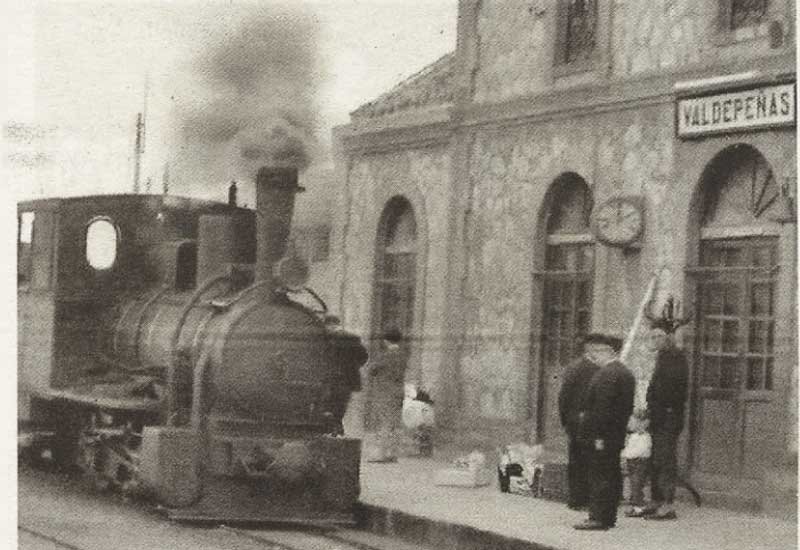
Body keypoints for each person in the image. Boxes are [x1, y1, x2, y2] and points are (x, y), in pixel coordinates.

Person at [573, 333, 635, 531]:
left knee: (599, 475)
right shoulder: (625, 373)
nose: (593, 356)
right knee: (612, 474)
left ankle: (597, 518)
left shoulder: (608, 374)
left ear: (609, 352)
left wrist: (598, 436)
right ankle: (608, 517)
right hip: (616, 435)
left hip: (602, 436)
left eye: (597, 351)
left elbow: (602, 410)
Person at [639, 326, 689, 520]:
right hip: (657, 416)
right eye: (653, 337)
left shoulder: (676, 357)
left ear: (668, 337)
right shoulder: (661, 357)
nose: (656, 340)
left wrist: (666, 408)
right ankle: (655, 500)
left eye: (660, 336)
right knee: (655, 460)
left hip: (668, 417)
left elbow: (676, 390)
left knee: (666, 460)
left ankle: (668, 505)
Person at [557, 337, 602, 510]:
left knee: (577, 461)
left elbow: (563, 397)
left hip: (576, 422)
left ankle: (577, 499)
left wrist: (565, 420)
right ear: (588, 350)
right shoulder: (594, 369)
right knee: (587, 460)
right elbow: (565, 396)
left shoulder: (574, 367)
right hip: (586, 423)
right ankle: (585, 499)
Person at [363, 328, 408, 463]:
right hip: (398, 390)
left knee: (385, 424)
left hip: (385, 391)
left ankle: (382, 454)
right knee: (395, 423)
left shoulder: (385, 355)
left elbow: (371, 370)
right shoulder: (403, 355)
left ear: (386, 340)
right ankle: (393, 453)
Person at [323, 315, 369, 435]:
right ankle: (337, 432)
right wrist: (352, 368)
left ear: (330, 325)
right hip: (348, 380)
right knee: (340, 407)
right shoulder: (352, 338)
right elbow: (364, 357)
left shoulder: (327, 339)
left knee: (330, 408)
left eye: (326, 326)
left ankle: (335, 432)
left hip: (331, 380)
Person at [621, 408, 652, 514]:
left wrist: (625, 455)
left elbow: (639, 450)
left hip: (638, 460)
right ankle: (635, 500)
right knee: (634, 482)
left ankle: (638, 504)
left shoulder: (642, 437)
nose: (629, 425)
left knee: (637, 482)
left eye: (631, 422)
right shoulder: (634, 436)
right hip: (633, 460)